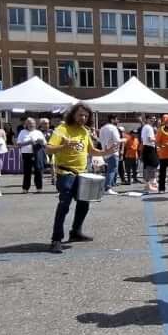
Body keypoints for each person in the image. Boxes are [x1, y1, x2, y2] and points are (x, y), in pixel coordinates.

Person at [46, 103, 97, 253]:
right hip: (66, 173)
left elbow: (91, 150)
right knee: (64, 205)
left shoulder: (84, 131)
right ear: (73, 114)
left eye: (86, 116)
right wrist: (63, 146)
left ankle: (75, 232)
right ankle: (56, 239)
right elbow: (48, 149)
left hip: (82, 174)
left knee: (84, 204)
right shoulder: (62, 129)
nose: (83, 118)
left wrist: (106, 151)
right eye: (80, 115)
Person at [17, 117, 47, 192]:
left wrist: (40, 141)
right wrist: (29, 142)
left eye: (33, 123)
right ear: (26, 124)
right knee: (27, 171)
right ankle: (25, 188)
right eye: (29, 123)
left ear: (35, 124)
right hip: (26, 154)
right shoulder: (22, 132)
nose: (31, 125)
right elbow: (19, 144)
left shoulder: (38, 132)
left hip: (37, 153)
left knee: (38, 170)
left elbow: (44, 143)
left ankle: (39, 188)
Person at [99, 114, 122, 195]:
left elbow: (100, 140)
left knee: (109, 170)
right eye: (116, 119)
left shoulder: (102, 128)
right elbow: (117, 140)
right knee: (112, 170)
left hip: (105, 152)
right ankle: (108, 188)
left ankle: (107, 187)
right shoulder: (113, 128)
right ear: (112, 120)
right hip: (113, 151)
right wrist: (124, 139)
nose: (117, 121)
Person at [140, 115, 159, 193]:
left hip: (147, 147)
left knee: (151, 166)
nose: (153, 120)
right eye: (152, 119)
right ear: (147, 119)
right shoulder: (148, 127)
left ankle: (151, 183)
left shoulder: (145, 127)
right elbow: (150, 139)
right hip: (149, 148)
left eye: (154, 119)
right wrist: (158, 140)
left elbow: (143, 139)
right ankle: (148, 185)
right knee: (151, 166)